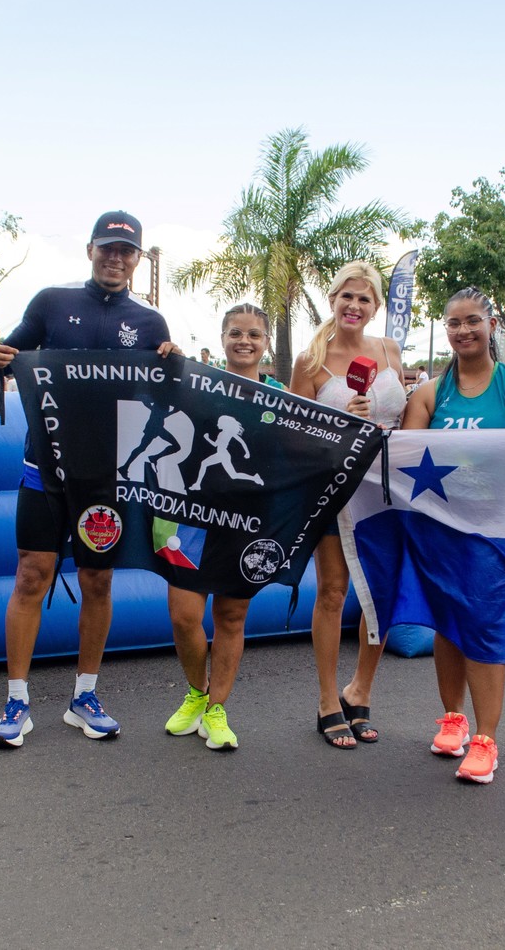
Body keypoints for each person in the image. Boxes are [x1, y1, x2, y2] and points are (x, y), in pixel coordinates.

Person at [0, 210, 177, 747]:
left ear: (137, 259)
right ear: (89, 250)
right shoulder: (51, 303)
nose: (115, 258)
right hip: (45, 468)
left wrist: (174, 366)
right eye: (106, 248)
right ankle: (16, 702)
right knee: (31, 576)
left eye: (126, 251)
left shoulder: (151, 324)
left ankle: (84, 696)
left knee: (97, 581)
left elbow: (166, 398)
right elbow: (4, 358)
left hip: (107, 478)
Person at [399, 287, 505, 784]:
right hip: (440, 530)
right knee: (447, 623)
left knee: (483, 629)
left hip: (497, 532)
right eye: (454, 323)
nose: (463, 330)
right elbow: (401, 460)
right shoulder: (428, 394)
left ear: (491, 324)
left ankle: (486, 739)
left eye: (473, 321)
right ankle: (453, 719)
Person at [288, 261, 405, 749]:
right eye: (346, 297)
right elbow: (293, 437)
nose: (354, 306)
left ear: (376, 306)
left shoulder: (390, 351)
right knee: (334, 593)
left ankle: (360, 690)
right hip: (334, 490)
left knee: (380, 595)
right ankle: (326, 701)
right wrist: (338, 419)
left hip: (389, 489)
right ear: (333, 300)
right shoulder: (310, 361)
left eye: (364, 299)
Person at [163, 302, 281, 751]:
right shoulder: (196, 386)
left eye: (254, 334)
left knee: (231, 616)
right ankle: (197, 692)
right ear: (223, 338)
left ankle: (217, 709)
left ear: (266, 342)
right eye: (236, 332)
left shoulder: (280, 397)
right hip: (191, 518)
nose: (244, 341)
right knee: (183, 615)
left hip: (246, 522)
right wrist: (168, 360)